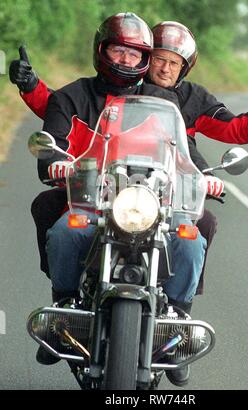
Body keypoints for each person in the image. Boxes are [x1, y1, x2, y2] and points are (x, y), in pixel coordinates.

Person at [11, 13, 209, 387]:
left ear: (144, 60)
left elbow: (184, 151)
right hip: (94, 202)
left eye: (134, 55)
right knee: (67, 233)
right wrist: (55, 164)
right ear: (102, 51)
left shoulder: (161, 101)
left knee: (190, 240)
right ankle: (65, 312)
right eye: (118, 50)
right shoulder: (71, 95)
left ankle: (176, 331)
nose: (125, 60)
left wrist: (202, 176)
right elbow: (52, 142)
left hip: (148, 204)